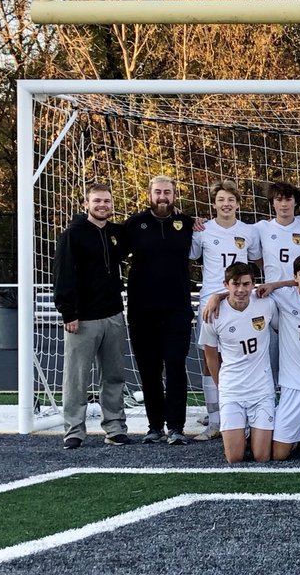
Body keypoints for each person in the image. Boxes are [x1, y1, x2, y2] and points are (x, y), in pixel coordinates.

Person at [205, 253, 300, 460]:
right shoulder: (279, 298)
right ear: (295, 277)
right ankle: (257, 435)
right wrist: (217, 296)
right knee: (270, 456)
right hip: (287, 387)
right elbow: (244, 292)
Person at [54, 183, 130, 450]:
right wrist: (68, 312)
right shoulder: (72, 235)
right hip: (83, 318)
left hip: (113, 315)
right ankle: (74, 430)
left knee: (114, 376)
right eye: (97, 201)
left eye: (107, 201)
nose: (102, 205)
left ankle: (115, 428)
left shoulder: (117, 233)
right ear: (86, 204)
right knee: (77, 378)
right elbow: (63, 275)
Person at [122, 175, 196, 445]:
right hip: (142, 311)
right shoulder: (134, 224)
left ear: (174, 195)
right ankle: (154, 426)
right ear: (149, 195)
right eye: (158, 192)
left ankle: (176, 427)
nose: (162, 197)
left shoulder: (187, 223)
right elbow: (112, 252)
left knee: (176, 366)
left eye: (167, 192)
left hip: (177, 309)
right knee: (149, 369)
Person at [189, 180, 263, 441]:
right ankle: (214, 419)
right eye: (221, 199)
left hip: (241, 300)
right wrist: (192, 224)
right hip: (211, 301)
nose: (226, 204)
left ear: (238, 204)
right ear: (214, 204)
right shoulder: (203, 230)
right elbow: (191, 256)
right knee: (211, 359)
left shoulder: (249, 231)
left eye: (231, 200)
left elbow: (258, 261)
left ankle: (242, 411)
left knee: (242, 355)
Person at [199, 263, 277, 463]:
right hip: (232, 391)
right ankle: (243, 432)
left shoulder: (266, 304)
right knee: (234, 458)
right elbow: (210, 356)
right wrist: (222, 387)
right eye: (235, 284)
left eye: (246, 284)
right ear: (226, 285)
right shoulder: (213, 313)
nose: (241, 289)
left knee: (262, 456)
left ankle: (254, 433)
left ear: (253, 284)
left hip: (261, 390)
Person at [255, 182, 300, 387]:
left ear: (295, 202)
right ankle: (270, 398)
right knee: (269, 354)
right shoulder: (261, 228)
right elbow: (255, 257)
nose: (284, 204)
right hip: (271, 300)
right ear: (272, 203)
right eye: (279, 199)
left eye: (288, 199)